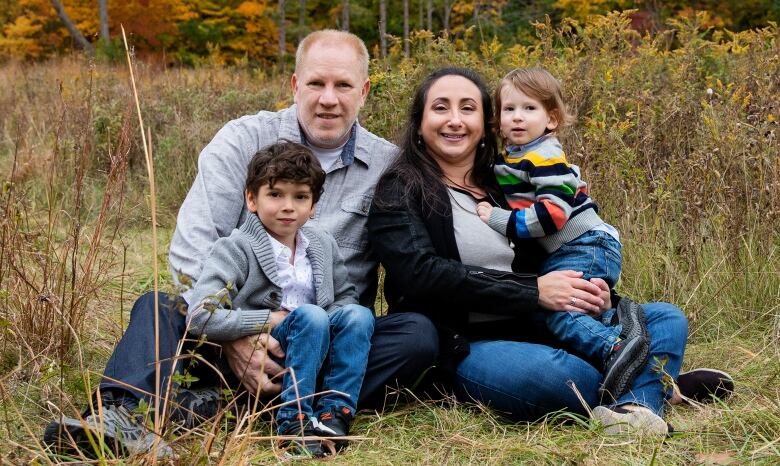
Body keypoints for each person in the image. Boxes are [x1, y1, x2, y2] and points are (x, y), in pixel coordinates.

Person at [43, 29, 438, 457]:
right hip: (222, 334)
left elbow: (410, 257)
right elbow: (191, 252)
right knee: (159, 307)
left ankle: (241, 408)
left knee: (415, 336)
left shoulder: (387, 165)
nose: (329, 99)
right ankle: (121, 414)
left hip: (325, 342)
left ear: (363, 91)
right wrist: (238, 336)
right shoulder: (241, 141)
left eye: (343, 85)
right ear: (294, 85)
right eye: (316, 83)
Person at [367, 67, 734, 436]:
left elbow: (561, 244)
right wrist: (536, 291)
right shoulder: (400, 189)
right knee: (564, 376)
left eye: (468, 108)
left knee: (666, 317)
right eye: (440, 108)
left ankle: (638, 406)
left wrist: (589, 291)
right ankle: (656, 383)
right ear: (419, 122)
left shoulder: (508, 181)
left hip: (540, 322)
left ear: (485, 122)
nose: (455, 120)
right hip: (468, 342)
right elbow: (421, 274)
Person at [188, 141, 373, 458]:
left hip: (316, 339)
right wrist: (267, 319)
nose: (288, 206)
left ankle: (334, 414)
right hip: (266, 349)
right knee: (312, 316)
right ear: (251, 199)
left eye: (300, 197)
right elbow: (200, 316)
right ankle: (293, 423)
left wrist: (334, 321)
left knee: (359, 315)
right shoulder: (236, 249)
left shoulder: (322, 243)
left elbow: (344, 295)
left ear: (313, 205)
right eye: (275, 195)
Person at [474, 67, 647, 402]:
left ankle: (616, 346)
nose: (517, 117)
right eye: (508, 110)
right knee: (581, 309)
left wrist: (496, 218)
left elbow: (552, 215)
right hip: (575, 246)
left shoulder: (545, 156)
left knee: (563, 312)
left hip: (586, 242)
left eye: (529, 108)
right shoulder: (515, 156)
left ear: (551, 119)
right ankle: (624, 336)